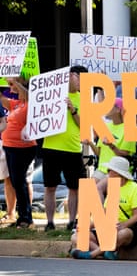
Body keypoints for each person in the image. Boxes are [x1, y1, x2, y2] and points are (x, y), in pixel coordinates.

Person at [70, 156, 137, 260]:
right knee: (76, 236)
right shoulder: (112, 187)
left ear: (117, 173)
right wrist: (88, 226)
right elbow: (104, 214)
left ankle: (92, 254)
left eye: (109, 170)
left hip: (129, 228)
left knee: (123, 234)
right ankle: (104, 252)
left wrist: (123, 225)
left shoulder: (135, 188)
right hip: (109, 228)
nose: (107, 173)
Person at [42, 65, 88, 231]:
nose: (80, 82)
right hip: (51, 146)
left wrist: (73, 110)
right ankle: (49, 222)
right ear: (71, 76)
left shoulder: (84, 98)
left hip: (73, 148)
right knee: (50, 187)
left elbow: (83, 125)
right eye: (79, 78)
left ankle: (71, 221)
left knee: (74, 188)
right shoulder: (51, 93)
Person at [0, 77, 37, 228]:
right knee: (16, 182)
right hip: (9, 147)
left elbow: (28, 96)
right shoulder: (16, 104)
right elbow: (2, 100)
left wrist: (15, 82)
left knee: (19, 182)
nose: (11, 87)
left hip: (22, 148)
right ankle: (23, 216)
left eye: (13, 85)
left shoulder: (30, 103)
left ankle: (26, 218)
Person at [83, 98, 136, 182]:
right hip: (102, 169)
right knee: (89, 189)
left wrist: (111, 145)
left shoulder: (129, 129)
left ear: (118, 109)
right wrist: (90, 143)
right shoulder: (106, 126)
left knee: (99, 188)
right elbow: (99, 154)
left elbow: (125, 155)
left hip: (118, 171)